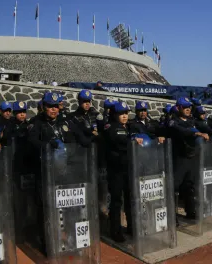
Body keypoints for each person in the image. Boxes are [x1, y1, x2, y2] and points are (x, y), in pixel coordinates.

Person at [27, 92, 91, 251]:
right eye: (50, 107)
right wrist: (47, 146)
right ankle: (47, 242)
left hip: (65, 173)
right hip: (45, 173)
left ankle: (70, 239)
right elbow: (31, 141)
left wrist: (92, 142)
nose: (53, 110)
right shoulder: (36, 123)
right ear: (44, 107)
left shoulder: (67, 121)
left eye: (56, 106)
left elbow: (81, 138)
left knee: (69, 207)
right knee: (46, 208)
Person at [103, 101, 144, 242]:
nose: (124, 116)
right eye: (121, 114)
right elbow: (118, 138)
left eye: (126, 113)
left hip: (128, 169)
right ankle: (115, 231)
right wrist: (132, 139)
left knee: (130, 198)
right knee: (116, 201)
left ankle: (132, 227)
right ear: (115, 115)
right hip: (116, 170)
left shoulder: (129, 127)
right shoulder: (111, 126)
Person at [168, 97, 210, 220]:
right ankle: (172, 216)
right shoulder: (173, 121)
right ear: (178, 108)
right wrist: (195, 133)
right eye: (185, 107)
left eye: (189, 107)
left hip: (191, 157)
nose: (188, 109)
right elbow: (181, 130)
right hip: (179, 158)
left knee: (189, 186)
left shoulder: (192, 120)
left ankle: (190, 211)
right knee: (174, 187)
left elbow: (203, 127)